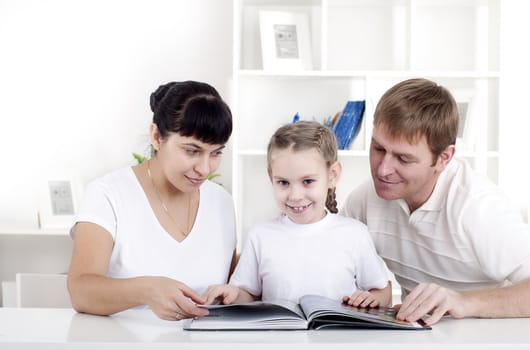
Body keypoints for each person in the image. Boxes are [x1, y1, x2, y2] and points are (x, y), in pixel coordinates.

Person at [341, 78, 530, 325]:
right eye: (378, 149)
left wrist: (462, 302)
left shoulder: (477, 206)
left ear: (443, 158)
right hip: (420, 336)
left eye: (404, 159)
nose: (383, 170)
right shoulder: (366, 199)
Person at [67, 80, 237, 320]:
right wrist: (146, 291)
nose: (204, 168)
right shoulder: (108, 194)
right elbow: (81, 291)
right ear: (157, 137)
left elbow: (235, 289)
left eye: (216, 153)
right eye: (191, 151)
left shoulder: (222, 202)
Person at [204, 121, 391, 307]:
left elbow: (382, 291)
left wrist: (374, 300)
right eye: (283, 183)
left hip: (336, 336)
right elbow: (249, 294)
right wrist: (234, 294)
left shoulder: (354, 234)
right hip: (280, 335)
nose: (295, 196)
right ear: (271, 177)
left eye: (308, 181)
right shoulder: (261, 235)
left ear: (332, 175)